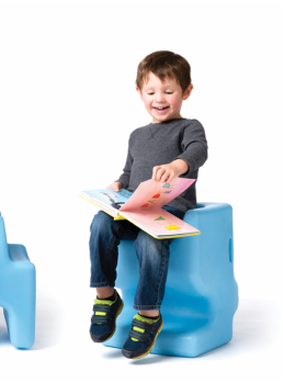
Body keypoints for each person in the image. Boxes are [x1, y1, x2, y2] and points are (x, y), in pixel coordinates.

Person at [88, 51, 208, 359]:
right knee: (100, 223)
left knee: (150, 240)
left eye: (169, 91)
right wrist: (117, 184)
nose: (160, 98)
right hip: (134, 209)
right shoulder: (136, 135)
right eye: (152, 91)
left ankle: (149, 315)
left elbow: (198, 151)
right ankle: (106, 297)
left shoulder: (189, 127)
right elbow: (129, 172)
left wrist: (179, 165)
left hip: (168, 209)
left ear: (186, 92)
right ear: (139, 92)